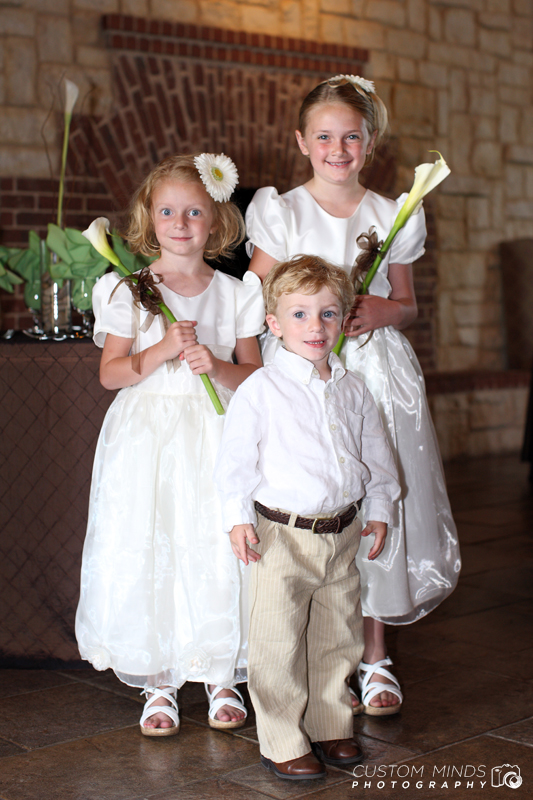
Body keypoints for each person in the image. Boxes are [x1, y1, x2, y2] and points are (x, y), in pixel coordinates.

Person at [245, 75, 461, 715]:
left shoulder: (391, 211)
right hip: (306, 369)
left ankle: (375, 656)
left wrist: (377, 310)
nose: (338, 149)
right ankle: (317, 652)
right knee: (315, 501)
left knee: (372, 498)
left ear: (370, 142)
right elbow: (256, 301)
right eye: (324, 137)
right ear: (302, 142)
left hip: (375, 369)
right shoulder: (280, 211)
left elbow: (409, 305)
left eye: (351, 137)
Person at [75, 153, 265, 736]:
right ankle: (158, 679)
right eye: (167, 211)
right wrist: (161, 351)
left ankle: (220, 672)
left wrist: (217, 367)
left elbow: (257, 376)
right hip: (148, 435)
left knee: (214, 543)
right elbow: (111, 374)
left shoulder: (238, 292)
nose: (180, 223)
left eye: (194, 212)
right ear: (148, 219)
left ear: (217, 221)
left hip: (215, 433)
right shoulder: (128, 288)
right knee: (153, 537)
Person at [214, 256, 400, 780]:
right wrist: (236, 518)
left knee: (336, 638)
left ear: (343, 320)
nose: (314, 327)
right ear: (273, 323)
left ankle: (329, 723)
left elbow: (376, 457)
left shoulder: (352, 388)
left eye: (327, 314)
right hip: (280, 536)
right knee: (277, 641)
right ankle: (282, 738)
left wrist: (380, 508)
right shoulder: (260, 390)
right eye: (299, 315)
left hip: (340, 532)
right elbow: (233, 465)